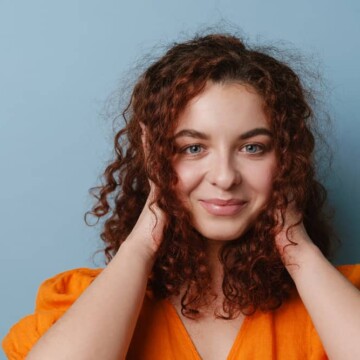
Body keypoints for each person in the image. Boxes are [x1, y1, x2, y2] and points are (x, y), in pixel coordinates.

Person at [3, 33, 360, 360]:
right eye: (192, 148)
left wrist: (297, 247)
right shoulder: (83, 304)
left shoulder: (335, 301)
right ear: (154, 155)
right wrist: (143, 242)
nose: (224, 176)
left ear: (287, 158)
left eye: (252, 147)